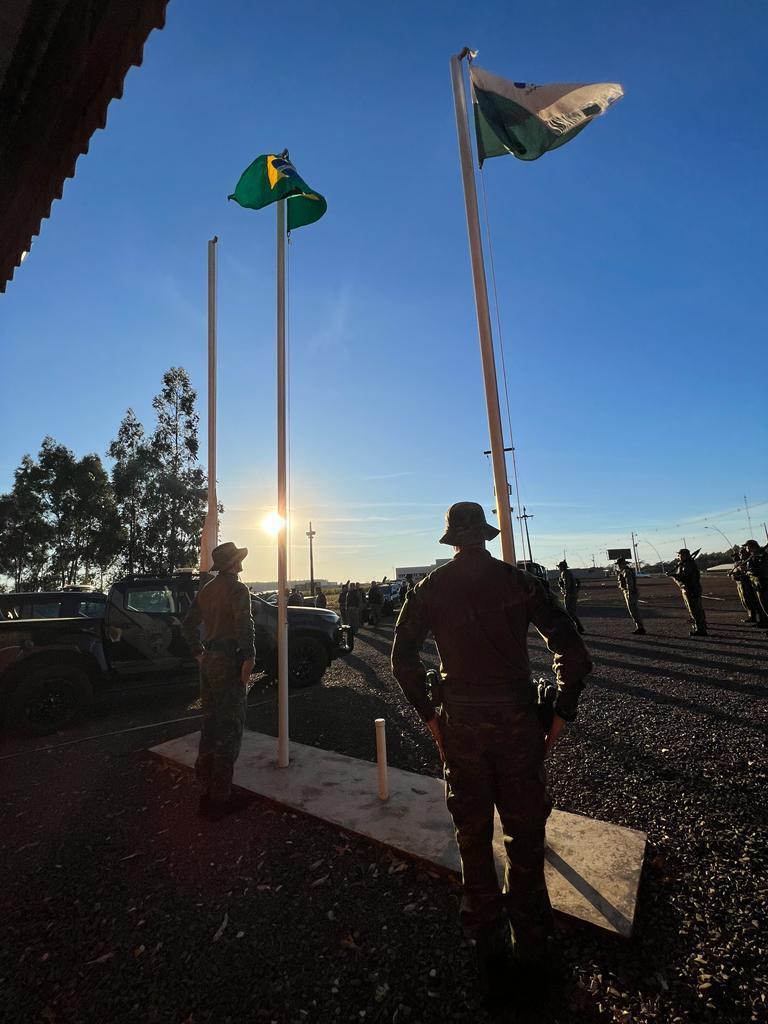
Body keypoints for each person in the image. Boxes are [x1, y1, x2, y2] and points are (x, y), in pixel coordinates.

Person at [391, 502, 591, 1008]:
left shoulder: (430, 587)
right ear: (483, 533)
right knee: (525, 842)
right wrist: (560, 714)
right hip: (520, 725)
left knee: (473, 840)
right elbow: (573, 651)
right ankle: (533, 956)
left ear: (452, 539)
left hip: (461, 728)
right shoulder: (519, 582)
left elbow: (401, 659)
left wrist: (432, 720)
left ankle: (490, 953)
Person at [182, 541, 255, 820]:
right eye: (238, 559)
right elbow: (243, 623)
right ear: (232, 564)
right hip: (228, 662)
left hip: (209, 662)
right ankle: (220, 798)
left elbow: (188, 624)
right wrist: (249, 657)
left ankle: (206, 782)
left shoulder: (207, 590)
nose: (241, 563)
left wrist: (198, 652)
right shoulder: (237, 589)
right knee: (230, 726)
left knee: (210, 722)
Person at [666, 548, 707, 636]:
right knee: (693, 610)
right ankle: (698, 627)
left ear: (684, 555)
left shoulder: (689, 565)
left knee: (695, 610)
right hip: (687, 589)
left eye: (679, 555)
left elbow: (684, 577)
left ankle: (701, 629)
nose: (678, 556)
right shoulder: (684, 564)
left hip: (691, 589)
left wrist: (674, 576)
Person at [731, 544, 765, 625]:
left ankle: (763, 620)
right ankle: (753, 617)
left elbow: (750, 572)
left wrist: (745, 571)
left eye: (741, 553)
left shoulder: (753, 559)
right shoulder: (742, 562)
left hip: (751, 585)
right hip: (744, 585)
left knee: (758, 603)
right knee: (746, 602)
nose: (740, 555)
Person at [616, 557, 646, 634]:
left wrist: (629, 593)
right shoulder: (624, 571)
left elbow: (629, 583)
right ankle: (639, 627)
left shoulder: (626, 571)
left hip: (630, 593)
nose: (618, 566)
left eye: (619, 564)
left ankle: (640, 627)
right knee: (633, 610)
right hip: (630, 592)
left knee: (633, 611)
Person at [743, 540, 768, 626]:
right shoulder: (753, 555)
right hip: (757, 584)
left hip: (763, 583)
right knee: (762, 606)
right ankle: (763, 622)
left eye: (747, 546)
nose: (746, 549)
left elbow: (763, 569)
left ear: (751, 546)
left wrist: (749, 571)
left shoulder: (762, 555)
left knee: (766, 605)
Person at [557, 560, 585, 634]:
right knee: (571, 611)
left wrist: (566, 592)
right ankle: (577, 627)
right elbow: (577, 582)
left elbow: (567, 583)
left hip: (569, 594)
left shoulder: (565, 573)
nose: (559, 568)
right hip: (573, 594)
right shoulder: (569, 573)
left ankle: (577, 627)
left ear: (562, 567)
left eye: (560, 567)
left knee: (569, 611)